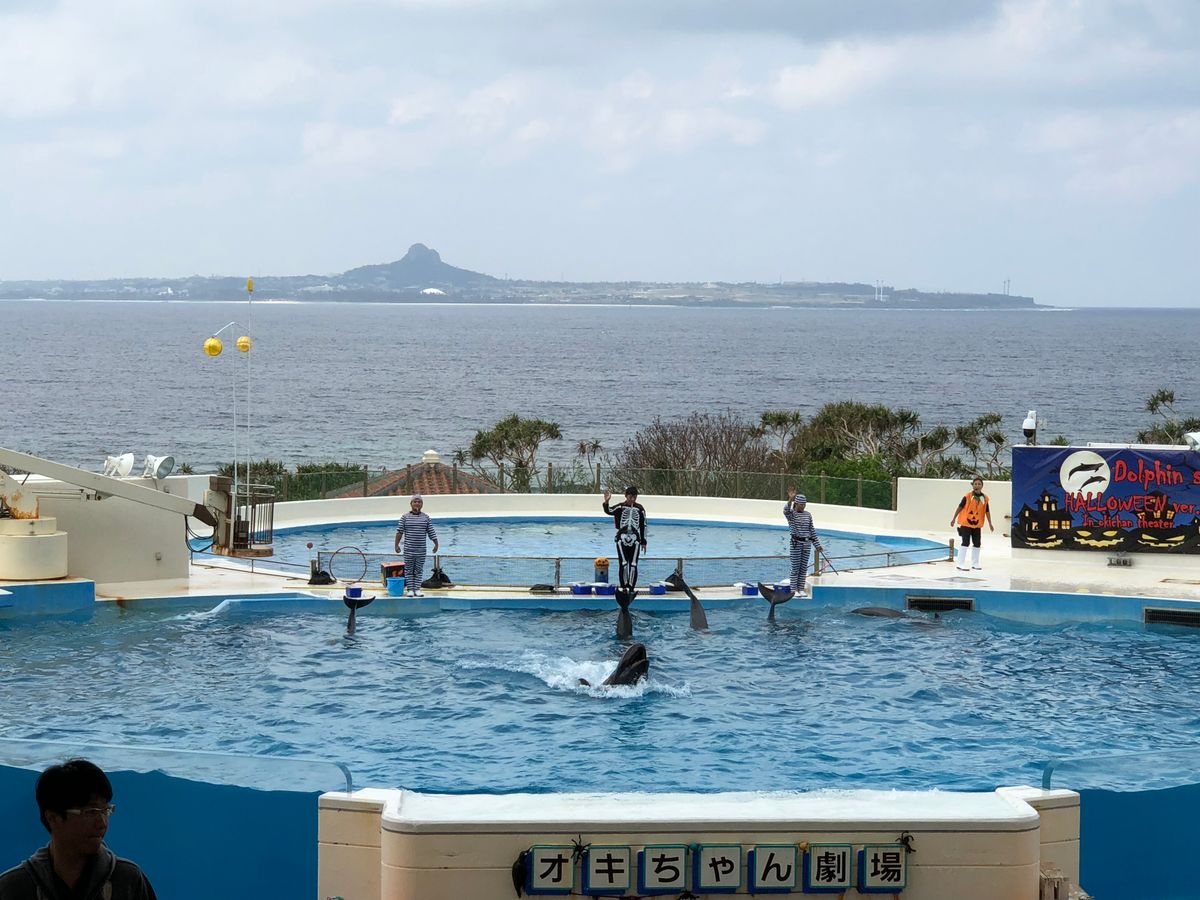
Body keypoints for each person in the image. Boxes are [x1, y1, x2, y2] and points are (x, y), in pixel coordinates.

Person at [0, 758, 157, 900]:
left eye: (106, 811)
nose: (102, 823)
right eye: (91, 812)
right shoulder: (13, 887)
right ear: (53, 818)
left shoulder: (129, 879)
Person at [602, 486, 647, 592]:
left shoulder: (640, 508)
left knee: (633, 564)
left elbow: (643, 525)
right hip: (621, 539)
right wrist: (606, 502)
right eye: (630, 497)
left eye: (634, 497)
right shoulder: (620, 507)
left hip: (635, 540)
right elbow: (609, 511)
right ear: (626, 496)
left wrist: (644, 541)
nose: (632, 499)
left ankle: (631, 588)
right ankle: (623, 587)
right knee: (623, 563)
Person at [395, 494, 439, 598]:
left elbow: (431, 531)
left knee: (419, 569)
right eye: (415, 501)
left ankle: (417, 589)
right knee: (409, 570)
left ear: (422, 504)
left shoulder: (426, 517)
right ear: (411, 504)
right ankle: (410, 589)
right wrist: (396, 545)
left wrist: (436, 544)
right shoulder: (405, 517)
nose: (417, 503)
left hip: (421, 549)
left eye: (419, 502)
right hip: (409, 549)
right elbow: (399, 532)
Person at [784, 487, 823, 595]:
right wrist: (790, 499)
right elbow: (785, 511)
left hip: (807, 544)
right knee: (795, 568)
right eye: (801, 504)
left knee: (803, 568)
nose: (803, 506)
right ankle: (793, 590)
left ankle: (800, 588)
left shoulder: (808, 515)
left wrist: (817, 545)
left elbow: (812, 530)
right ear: (796, 504)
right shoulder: (792, 515)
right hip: (796, 544)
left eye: (804, 504)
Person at [950, 475, 994, 571]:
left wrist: (990, 523)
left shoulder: (985, 498)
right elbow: (960, 507)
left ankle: (975, 563)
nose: (977, 485)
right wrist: (953, 518)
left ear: (982, 485)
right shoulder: (967, 496)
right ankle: (960, 563)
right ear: (972, 485)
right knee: (965, 542)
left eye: (979, 484)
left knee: (977, 543)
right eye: (975, 484)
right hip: (966, 523)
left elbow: (987, 511)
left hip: (977, 524)